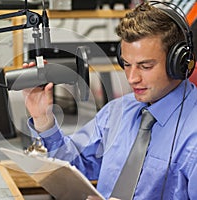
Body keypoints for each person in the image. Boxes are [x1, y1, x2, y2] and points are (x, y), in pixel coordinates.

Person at [23, 2, 197, 199]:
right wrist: (43, 120)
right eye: (127, 64)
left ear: (180, 62)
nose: (132, 78)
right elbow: (71, 166)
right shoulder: (118, 111)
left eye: (145, 66)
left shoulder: (193, 136)